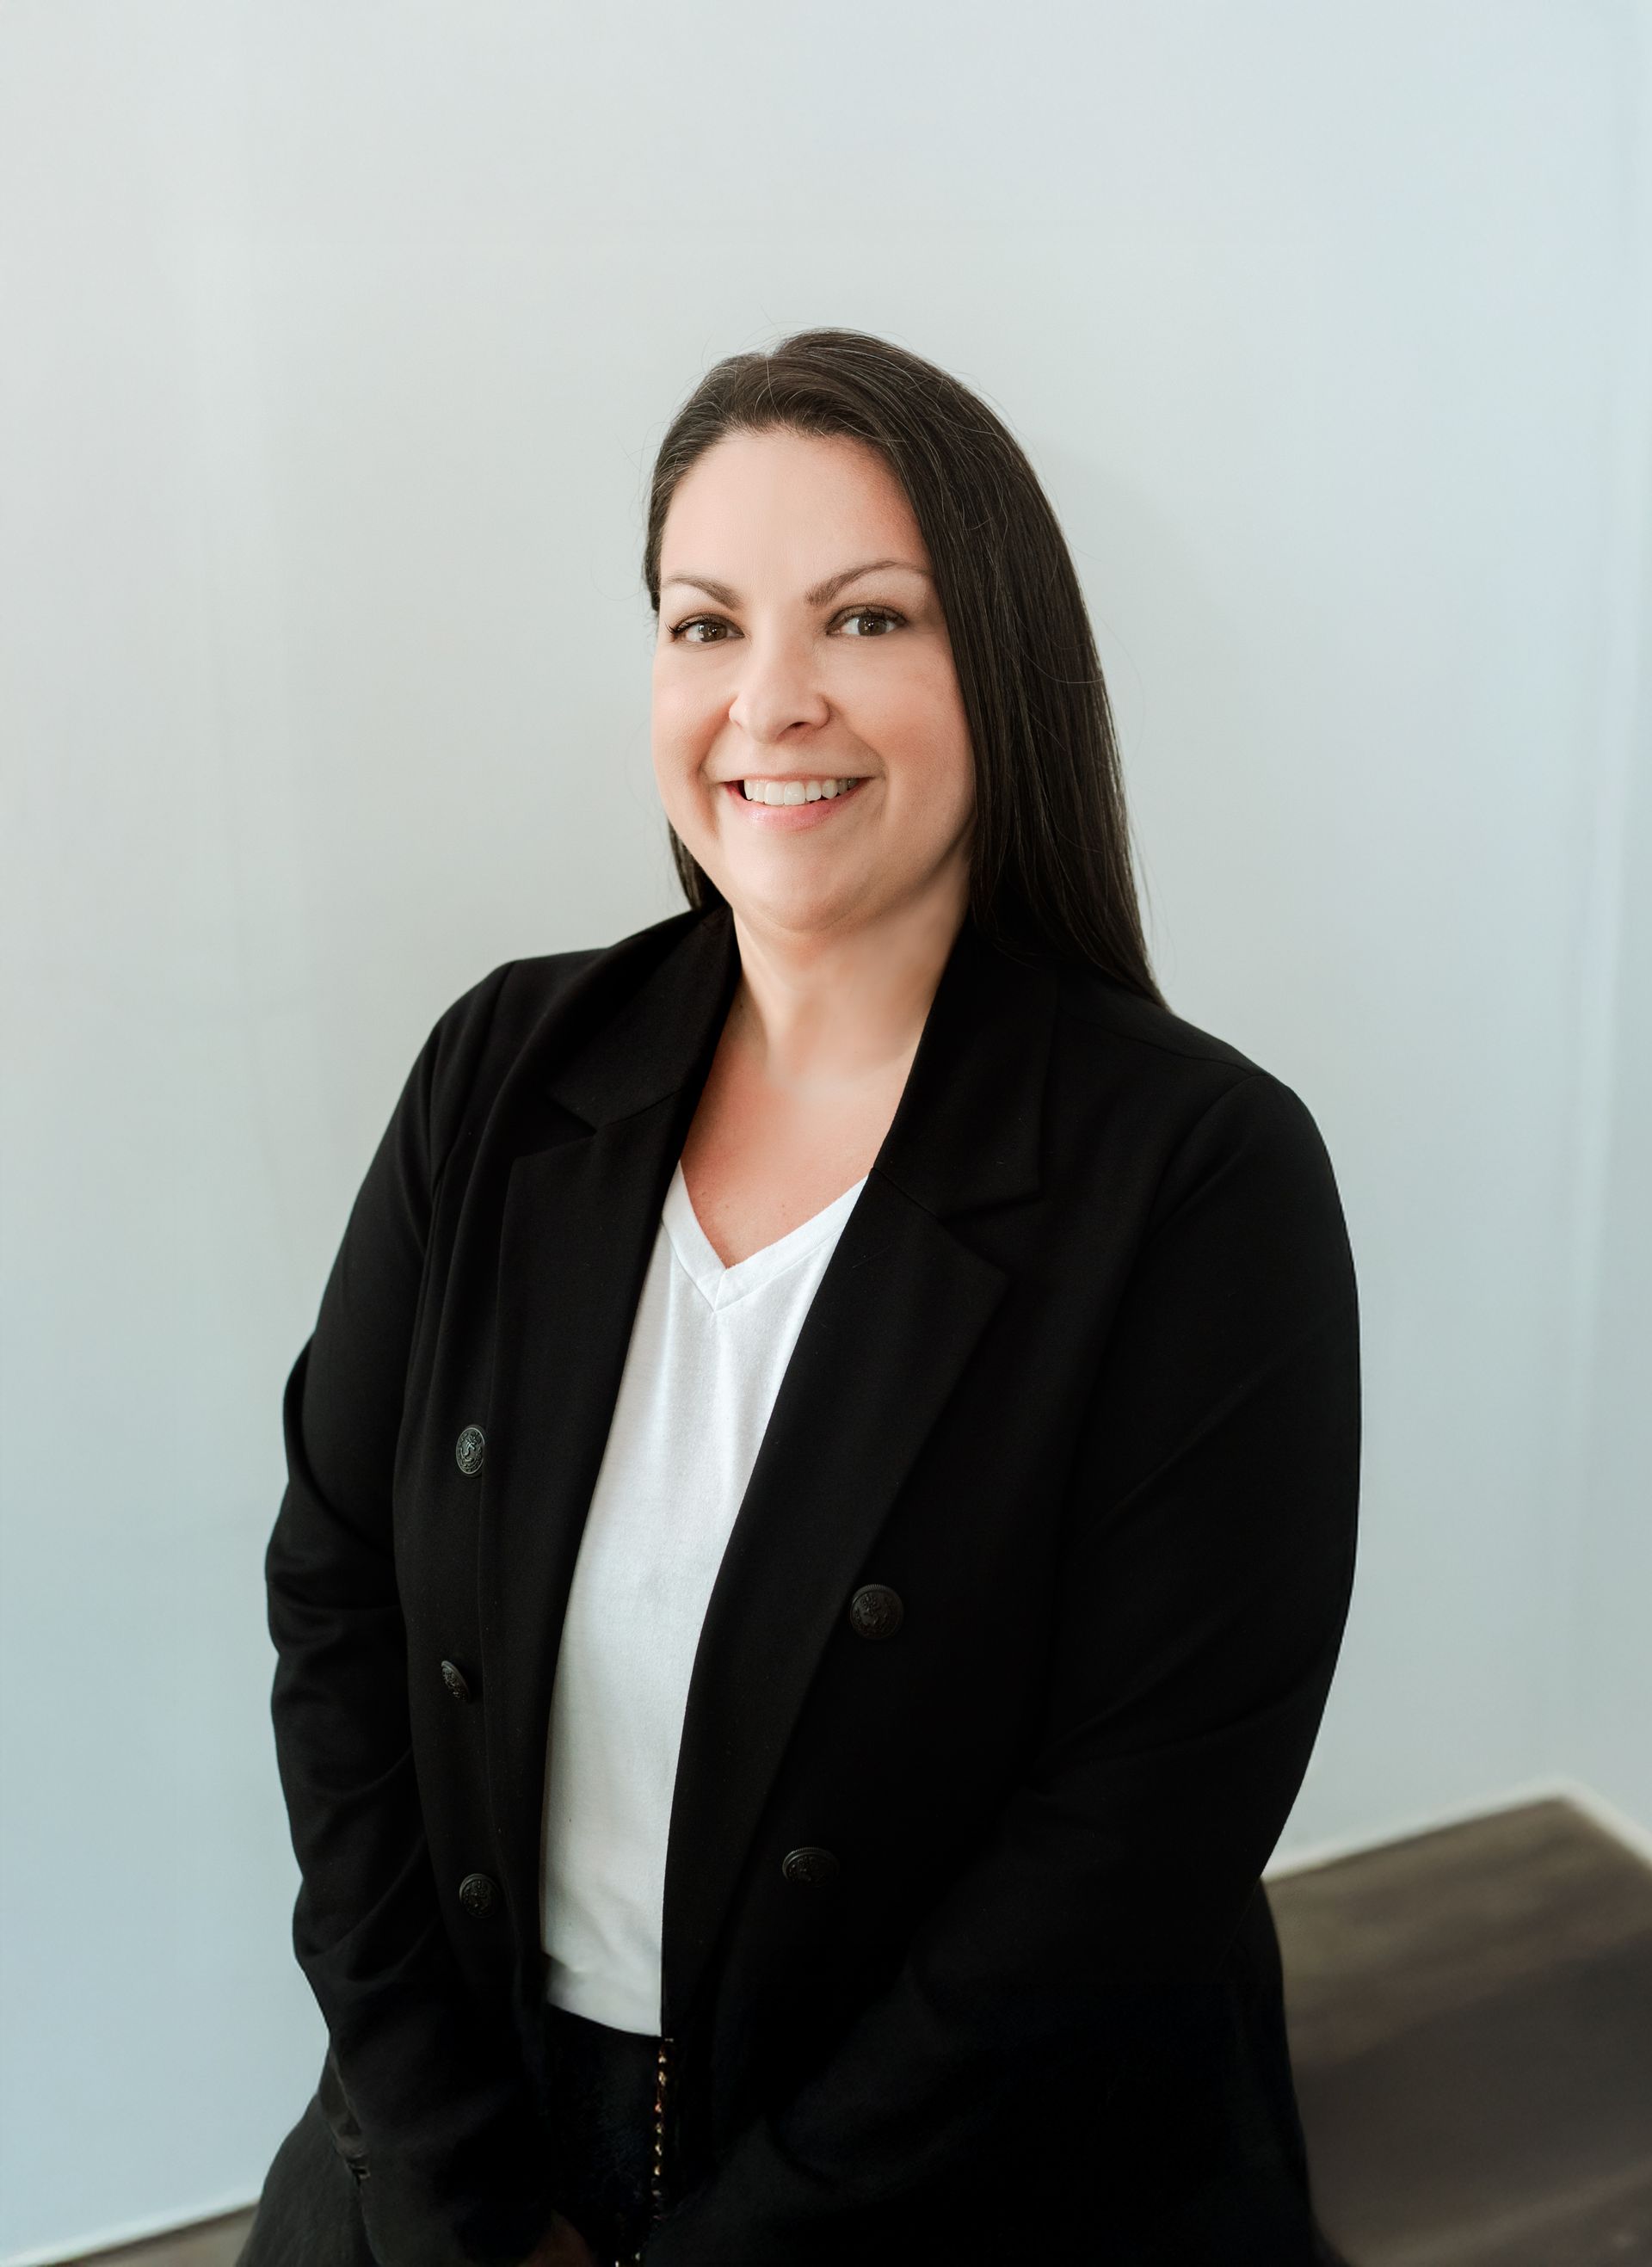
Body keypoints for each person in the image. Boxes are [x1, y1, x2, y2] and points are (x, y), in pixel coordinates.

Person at [237, 328, 1360, 2267]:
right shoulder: (499, 1073)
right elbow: (334, 1605)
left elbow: (1131, 1848)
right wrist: (449, 2169)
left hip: (962, 2182)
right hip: (471, 2139)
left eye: (863, 619)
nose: (769, 701)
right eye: (703, 624)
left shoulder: (1201, 1179)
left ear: (998, 662)